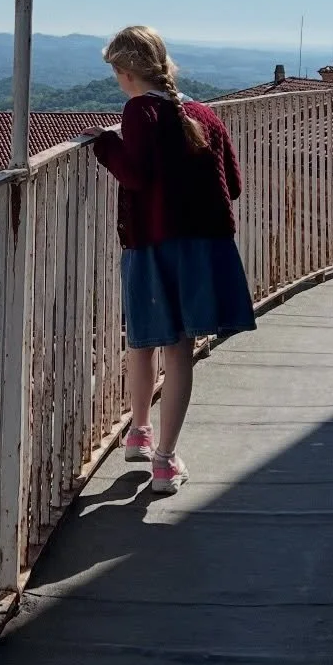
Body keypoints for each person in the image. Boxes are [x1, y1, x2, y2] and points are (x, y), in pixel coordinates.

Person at [92, 25, 255, 494]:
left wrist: (105, 144)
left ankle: (140, 436)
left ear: (125, 73)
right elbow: (235, 186)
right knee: (180, 351)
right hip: (202, 249)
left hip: (152, 246)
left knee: (144, 340)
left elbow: (136, 176)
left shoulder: (139, 112)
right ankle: (164, 459)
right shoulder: (205, 114)